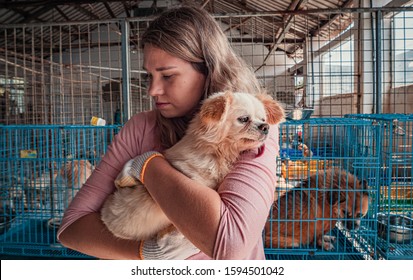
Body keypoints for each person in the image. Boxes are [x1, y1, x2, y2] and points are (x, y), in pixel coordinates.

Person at [57, 5, 280, 260]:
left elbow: (230, 245)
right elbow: (71, 227)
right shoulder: (141, 127)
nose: (153, 90)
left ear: (208, 71)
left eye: (168, 76)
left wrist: (148, 165)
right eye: (149, 76)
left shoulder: (250, 128)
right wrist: (149, 253)